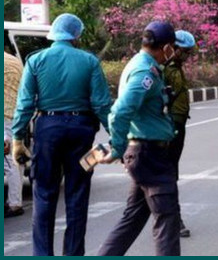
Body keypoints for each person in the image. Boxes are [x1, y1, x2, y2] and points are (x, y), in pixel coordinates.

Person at [11, 13, 113, 256]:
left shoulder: (36, 61)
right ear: (76, 35)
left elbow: (25, 103)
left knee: (44, 195)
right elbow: (101, 105)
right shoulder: (89, 62)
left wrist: (17, 138)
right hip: (81, 132)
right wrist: (117, 135)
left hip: (47, 130)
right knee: (77, 195)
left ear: (53, 35)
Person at [97, 21, 180, 256]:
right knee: (167, 219)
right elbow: (120, 111)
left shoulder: (142, 64)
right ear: (165, 47)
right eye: (172, 48)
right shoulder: (146, 73)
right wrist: (117, 147)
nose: (172, 53)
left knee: (133, 218)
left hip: (145, 154)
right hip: (149, 155)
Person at [164, 29, 196, 238]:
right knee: (168, 173)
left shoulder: (175, 67)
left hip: (178, 122)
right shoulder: (161, 68)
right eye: (184, 51)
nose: (187, 56)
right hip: (169, 124)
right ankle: (173, 219)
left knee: (167, 172)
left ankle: (169, 217)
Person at [4, 51, 24, 218]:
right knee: (15, 160)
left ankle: (15, 203)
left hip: (4, 117)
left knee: (8, 162)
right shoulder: (15, 61)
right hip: (16, 115)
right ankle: (14, 201)